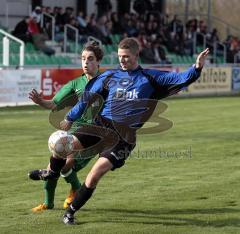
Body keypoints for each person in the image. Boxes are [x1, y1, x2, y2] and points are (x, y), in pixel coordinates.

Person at [32, 37, 209, 224]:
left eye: (126, 56)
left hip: (123, 137)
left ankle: (70, 212)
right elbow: (86, 99)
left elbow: (181, 78)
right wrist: (70, 117)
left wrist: (196, 67)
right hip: (100, 125)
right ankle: (52, 173)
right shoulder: (109, 76)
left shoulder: (150, 77)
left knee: (95, 174)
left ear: (136, 55)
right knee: (61, 145)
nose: (122, 60)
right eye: (119, 57)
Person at [28, 41, 104, 212]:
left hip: (95, 135)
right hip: (75, 131)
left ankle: (75, 188)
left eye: (90, 59)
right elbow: (53, 104)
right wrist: (41, 101)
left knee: (66, 164)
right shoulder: (75, 84)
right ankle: (48, 203)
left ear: (98, 61)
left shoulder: (107, 82)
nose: (85, 62)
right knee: (52, 168)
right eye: (83, 58)